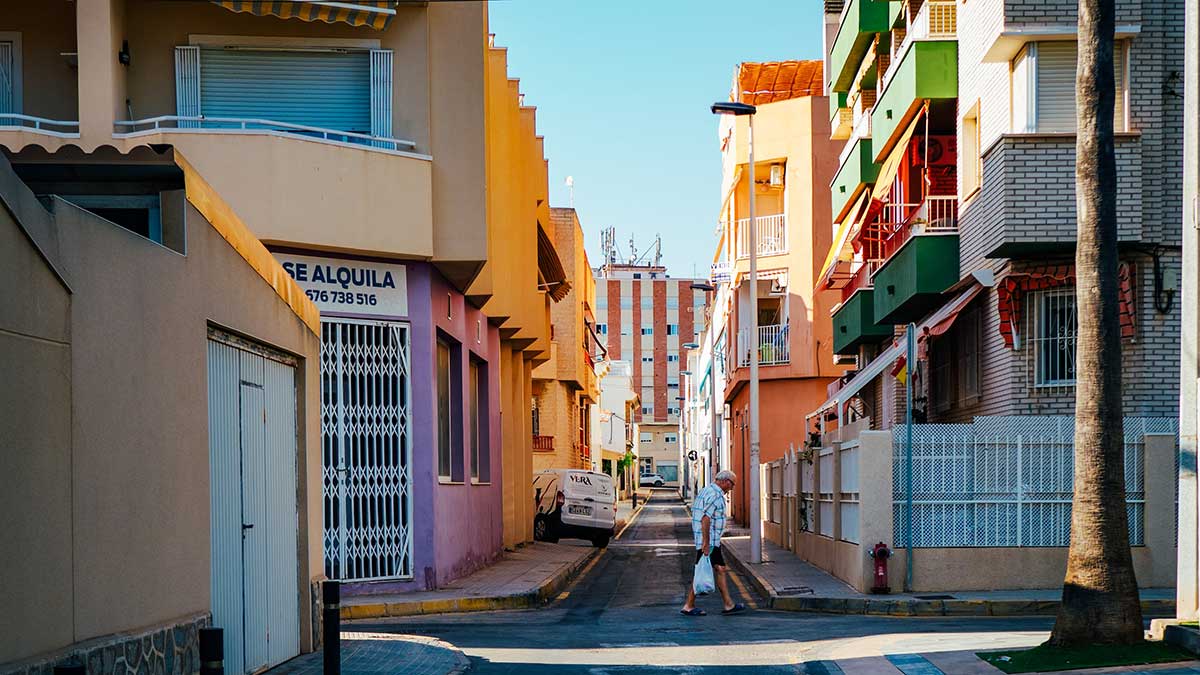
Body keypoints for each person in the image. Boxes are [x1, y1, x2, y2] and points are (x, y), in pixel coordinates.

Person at [680, 470, 746, 616]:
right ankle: (689, 605)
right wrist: (706, 542)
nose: (732, 488)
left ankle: (728, 604)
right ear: (726, 481)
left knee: (720, 568)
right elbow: (705, 518)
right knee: (703, 570)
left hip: (710, 540)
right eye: (732, 484)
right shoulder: (715, 495)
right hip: (709, 540)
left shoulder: (705, 491)